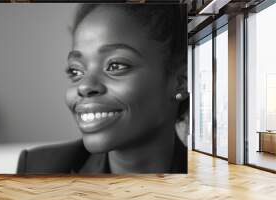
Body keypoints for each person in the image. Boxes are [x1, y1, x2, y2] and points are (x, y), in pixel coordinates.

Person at [17, 3, 188, 174]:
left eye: (115, 66)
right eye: (76, 71)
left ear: (181, 80)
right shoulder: (37, 169)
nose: (84, 86)